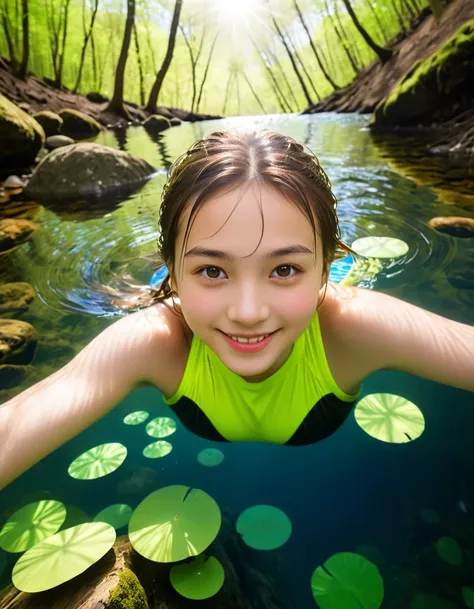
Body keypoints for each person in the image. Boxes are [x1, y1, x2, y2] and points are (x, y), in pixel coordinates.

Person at [1, 129, 473, 490]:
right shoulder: (156, 340)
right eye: (211, 271)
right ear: (173, 270)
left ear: (327, 268)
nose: (248, 313)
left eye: (285, 269)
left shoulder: (354, 325)